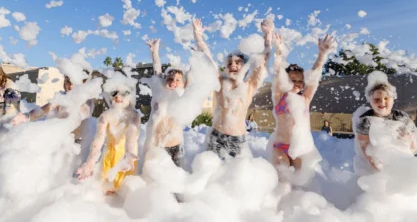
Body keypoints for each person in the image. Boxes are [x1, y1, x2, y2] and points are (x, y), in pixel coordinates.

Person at [193, 18, 273, 159]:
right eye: (229, 63)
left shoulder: (249, 86)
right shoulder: (220, 82)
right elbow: (207, 57)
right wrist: (198, 35)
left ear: (245, 67)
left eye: (238, 62)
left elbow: (263, 62)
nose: (233, 65)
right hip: (216, 136)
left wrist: (268, 36)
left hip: (237, 139)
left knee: (234, 179)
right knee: (211, 175)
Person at [270, 33, 335, 175]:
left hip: (299, 149)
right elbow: (277, 73)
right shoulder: (279, 97)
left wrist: (322, 55)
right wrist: (279, 50)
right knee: (283, 174)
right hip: (280, 147)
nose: (296, 83)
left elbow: (314, 78)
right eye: (292, 80)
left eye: (300, 81)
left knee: (300, 182)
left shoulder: (304, 99)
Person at [76, 72, 140, 195]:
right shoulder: (105, 116)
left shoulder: (134, 116)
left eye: (122, 93)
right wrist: (90, 162)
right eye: (114, 94)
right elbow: (99, 139)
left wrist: (129, 154)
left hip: (127, 161)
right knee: (105, 196)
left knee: (126, 195)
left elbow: (131, 137)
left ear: (129, 96)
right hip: (108, 160)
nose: (117, 97)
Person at [353, 72, 417, 175]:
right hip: (376, 167)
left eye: (386, 98)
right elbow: (365, 146)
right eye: (377, 99)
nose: (382, 102)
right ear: (370, 100)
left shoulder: (401, 117)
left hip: (402, 161)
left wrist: (408, 139)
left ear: (392, 100)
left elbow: (414, 146)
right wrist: (377, 165)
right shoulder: (365, 120)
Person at [11, 71, 94, 144]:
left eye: (74, 83)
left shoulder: (87, 101)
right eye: (68, 82)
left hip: (77, 144)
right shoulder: (61, 97)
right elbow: (45, 109)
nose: (70, 86)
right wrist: (27, 116)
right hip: (60, 141)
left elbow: (80, 119)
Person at [143, 38, 188, 168]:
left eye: (177, 80)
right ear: (164, 79)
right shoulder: (159, 90)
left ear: (183, 84)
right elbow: (157, 69)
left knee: (177, 179)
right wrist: (154, 52)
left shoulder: (182, 95)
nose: (173, 81)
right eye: (170, 78)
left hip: (177, 147)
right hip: (158, 147)